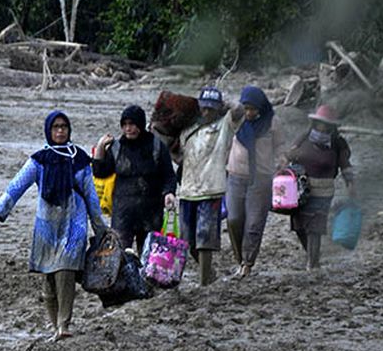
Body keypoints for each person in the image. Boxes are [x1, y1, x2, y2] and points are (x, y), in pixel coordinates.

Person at [0, 111, 108, 341]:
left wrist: (100, 227)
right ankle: (56, 327)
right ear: (49, 131)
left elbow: (91, 196)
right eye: (56, 127)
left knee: (65, 271)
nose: (60, 131)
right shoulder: (39, 160)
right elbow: (17, 186)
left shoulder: (79, 159)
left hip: (74, 225)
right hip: (47, 228)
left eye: (64, 127)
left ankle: (64, 324)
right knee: (48, 280)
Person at [171, 86, 240, 286]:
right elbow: (180, 157)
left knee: (205, 238)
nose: (207, 112)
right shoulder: (188, 130)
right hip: (188, 190)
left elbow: (239, 111)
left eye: (211, 108)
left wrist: (225, 102)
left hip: (211, 189)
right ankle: (208, 273)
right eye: (204, 108)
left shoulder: (225, 126)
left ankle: (204, 280)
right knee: (187, 240)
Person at [91, 105, 177, 253]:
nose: (128, 129)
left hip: (151, 212)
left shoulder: (157, 146)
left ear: (141, 124)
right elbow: (99, 172)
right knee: (121, 257)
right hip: (123, 213)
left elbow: (169, 175)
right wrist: (100, 147)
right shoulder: (117, 147)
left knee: (149, 257)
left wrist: (169, 192)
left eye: (132, 124)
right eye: (124, 125)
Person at [284, 104, 356, 270]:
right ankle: (312, 255)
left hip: (323, 191)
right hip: (301, 191)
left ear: (332, 126)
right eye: (320, 123)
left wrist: (350, 183)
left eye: (326, 124)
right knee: (299, 225)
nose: (322, 127)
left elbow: (345, 165)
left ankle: (312, 264)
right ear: (314, 123)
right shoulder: (304, 137)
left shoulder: (338, 144)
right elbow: (289, 155)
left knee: (314, 227)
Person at [226, 86, 284, 277]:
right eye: (247, 108)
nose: (249, 113)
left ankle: (247, 263)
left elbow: (280, 147)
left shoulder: (272, 122)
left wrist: (281, 162)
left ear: (261, 107)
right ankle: (239, 259)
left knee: (253, 224)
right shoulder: (237, 119)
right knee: (234, 219)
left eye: (253, 109)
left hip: (260, 179)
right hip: (235, 176)